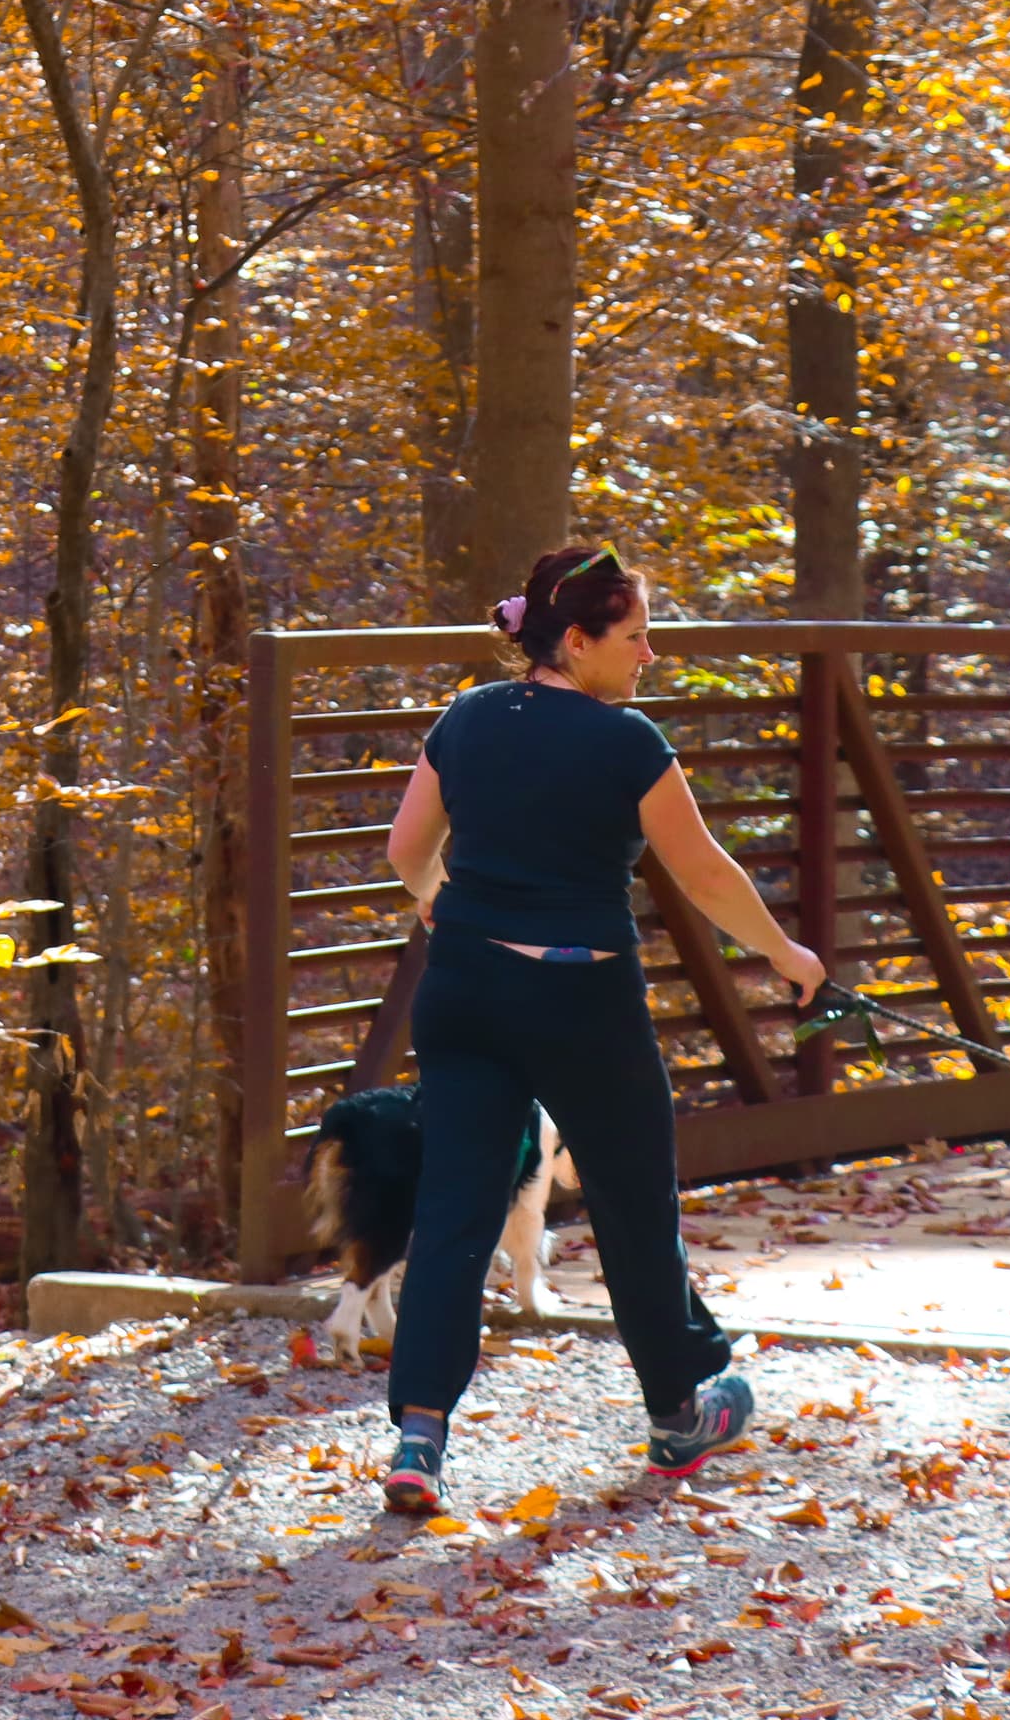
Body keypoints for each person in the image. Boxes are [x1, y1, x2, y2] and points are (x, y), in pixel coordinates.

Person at [373, 545, 827, 1510]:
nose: (650, 655)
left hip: (464, 992)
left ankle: (420, 1439)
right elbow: (705, 875)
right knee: (629, 1203)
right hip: (583, 999)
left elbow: (408, 848)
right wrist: (787, 957)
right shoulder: (628, 743)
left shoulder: (465, 718)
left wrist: (438, 904)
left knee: (454, 1208)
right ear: (576, 643)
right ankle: (676, 1414)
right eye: (634, 637)